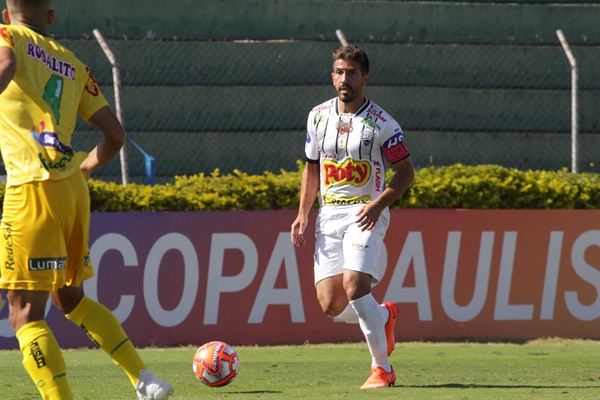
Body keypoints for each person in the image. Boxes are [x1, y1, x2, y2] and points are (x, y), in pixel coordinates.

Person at [0, 1, 174, 399]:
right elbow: (115, 135)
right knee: (71, 298)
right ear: (51, 16)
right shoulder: (74, 64)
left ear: (6, 14)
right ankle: (144, 380)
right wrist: (87, 168)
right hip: (72, 189)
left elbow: (5, 67)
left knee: (23, 314)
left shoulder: (5, 35)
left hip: (32, 186)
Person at [291, 45, 414, 389]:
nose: (345, 79)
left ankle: (382, 370)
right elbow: (311, 168)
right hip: (328, 216)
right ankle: (383, 316)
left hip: (365, 213)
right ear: (333, 77)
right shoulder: (317, 116)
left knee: (355, 286)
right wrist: (303, 213)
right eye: (340, 72)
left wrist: (378, 205)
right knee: (331, 303)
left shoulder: (382, 124)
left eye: (353, 73)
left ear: (366, 78)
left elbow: (405, 172)